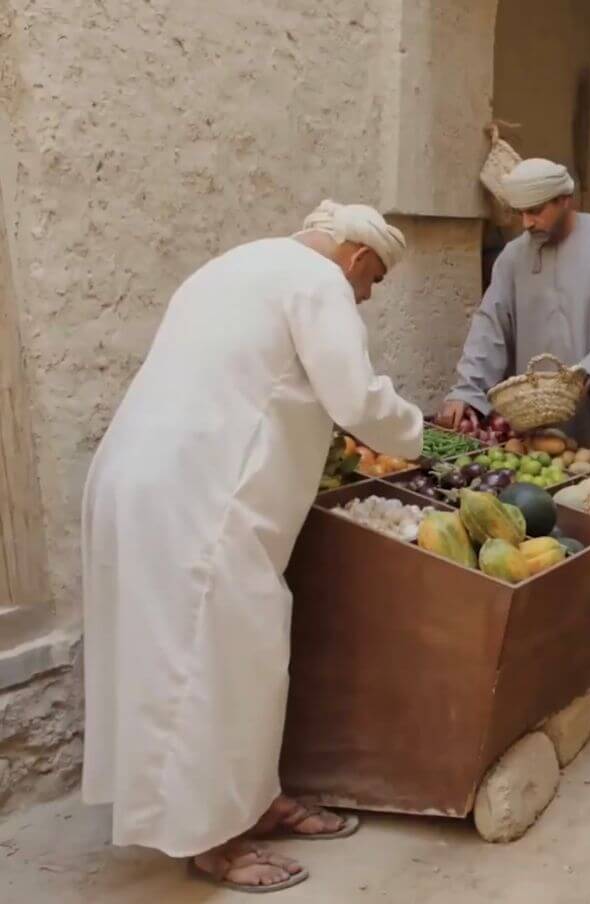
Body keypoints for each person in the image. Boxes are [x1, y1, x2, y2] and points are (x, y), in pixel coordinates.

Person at [81, 201, 423, 893]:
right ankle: (213, 842)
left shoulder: (235, 265)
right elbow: (356, 400)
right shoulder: (319, 281)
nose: (365, 297)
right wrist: (425, 436)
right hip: (197, 500)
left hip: (145, 482)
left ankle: (252, 801)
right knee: (204, 672)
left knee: (238, 662)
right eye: (374, 282)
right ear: (358, 258)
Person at [441, 158, 590, 459]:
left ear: (565, 199)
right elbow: (489, 329)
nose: (527, 223)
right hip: (545, 432)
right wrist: (467, 389)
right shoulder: (512, 259)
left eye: (535, 211)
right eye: (521, 212)